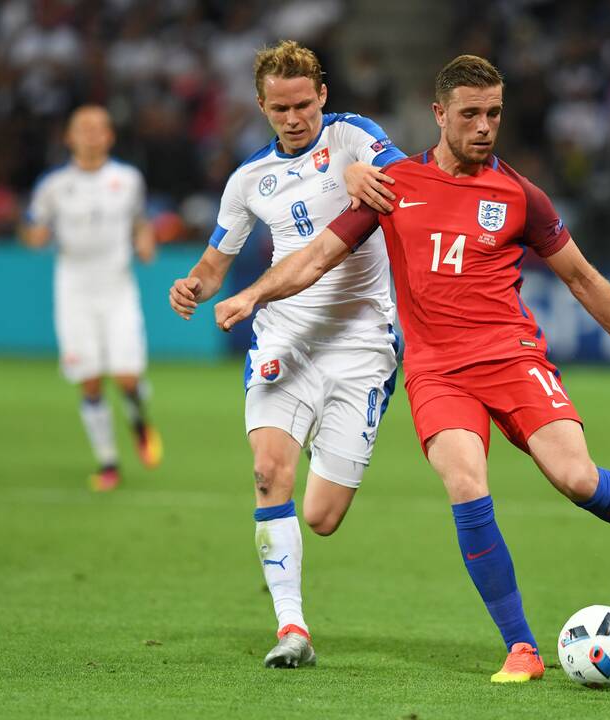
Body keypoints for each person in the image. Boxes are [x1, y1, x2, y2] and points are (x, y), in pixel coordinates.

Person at [212, 55, 610, 684]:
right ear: (440, 115)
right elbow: (317, 255)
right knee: (466, 485)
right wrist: (253, 293)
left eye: (495, 114)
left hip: (511, 356)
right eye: (471, 114)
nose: (485, 127)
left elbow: (585, 280)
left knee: (577, 478)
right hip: (436, 371)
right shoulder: (393, 183)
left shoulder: (520, 195)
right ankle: (522, 648)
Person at [168, 41, 405, 669]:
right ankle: (291, 627)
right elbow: (215, 263)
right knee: (270, 471)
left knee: (323, 517)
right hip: (284, 338)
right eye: (280, 109)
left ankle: (324, 445)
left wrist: (365, 172)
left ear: (323, 96)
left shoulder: (355, 136)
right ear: (261, 107)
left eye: (304, 104)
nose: (294, 118)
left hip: (361, 344)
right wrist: (193, 285)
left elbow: (407, 179)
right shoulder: (249, 180)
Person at [23, 105, 162, 492]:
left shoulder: (128, 179)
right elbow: (34, 225)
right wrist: (33, 236)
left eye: (98, 128)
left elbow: (139, 221)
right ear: (69, 137)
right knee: (89, 379)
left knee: (127, 376)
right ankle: (108, 462)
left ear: (109, 136)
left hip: (117, 287)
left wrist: (145, 241)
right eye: (82, 128)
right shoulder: (53, 185)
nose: (90, 134)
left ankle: (138, 420)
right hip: (74, 290)